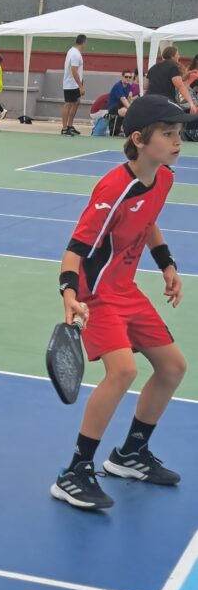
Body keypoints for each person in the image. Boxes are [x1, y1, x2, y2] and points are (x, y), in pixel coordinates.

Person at [51, 95, 187, 511]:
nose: (178, 141)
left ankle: (129, 455)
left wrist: (166, 264)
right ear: (139, 140)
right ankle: (74, 472)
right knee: (123, 370)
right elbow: (75, 248)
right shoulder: (113, 187)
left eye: (179, 133)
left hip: (126, 290)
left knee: (172, 367)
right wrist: (70, 295)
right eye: (168, 134)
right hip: (95, 295)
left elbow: (148, 223)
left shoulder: (162, 177)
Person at [146, 45, 198, 115]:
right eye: (177, 54)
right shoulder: (173, 67)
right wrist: (191, 103)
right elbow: (180, 86)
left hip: (149, 99)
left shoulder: (153, 67)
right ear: (172, 56)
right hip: (165, 101)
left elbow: (145, 85)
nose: (179, 56)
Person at [61, 34, 86, 135]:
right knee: (68, 104)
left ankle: (70, 126)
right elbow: (74, 71)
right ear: (84, 42)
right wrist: (80, 86)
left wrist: (81, 82)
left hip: (74, 84)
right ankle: (64, 128)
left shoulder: (73, 51)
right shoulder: (75, 54)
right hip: (70, 84)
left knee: (76, 102)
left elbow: (78, 70)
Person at [106, 69, 137, 136]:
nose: (128, 78)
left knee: (132, 112)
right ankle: (127, 131)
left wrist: (132, 105)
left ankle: (125, 130)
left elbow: (129, 99)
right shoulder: (118, 86)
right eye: (126, 77)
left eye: (130, 77)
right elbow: (123, 99)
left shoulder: (129, 86)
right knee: (129, 113)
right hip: (113, 107)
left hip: (122, 106)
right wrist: (131, 109)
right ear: (122, 77)